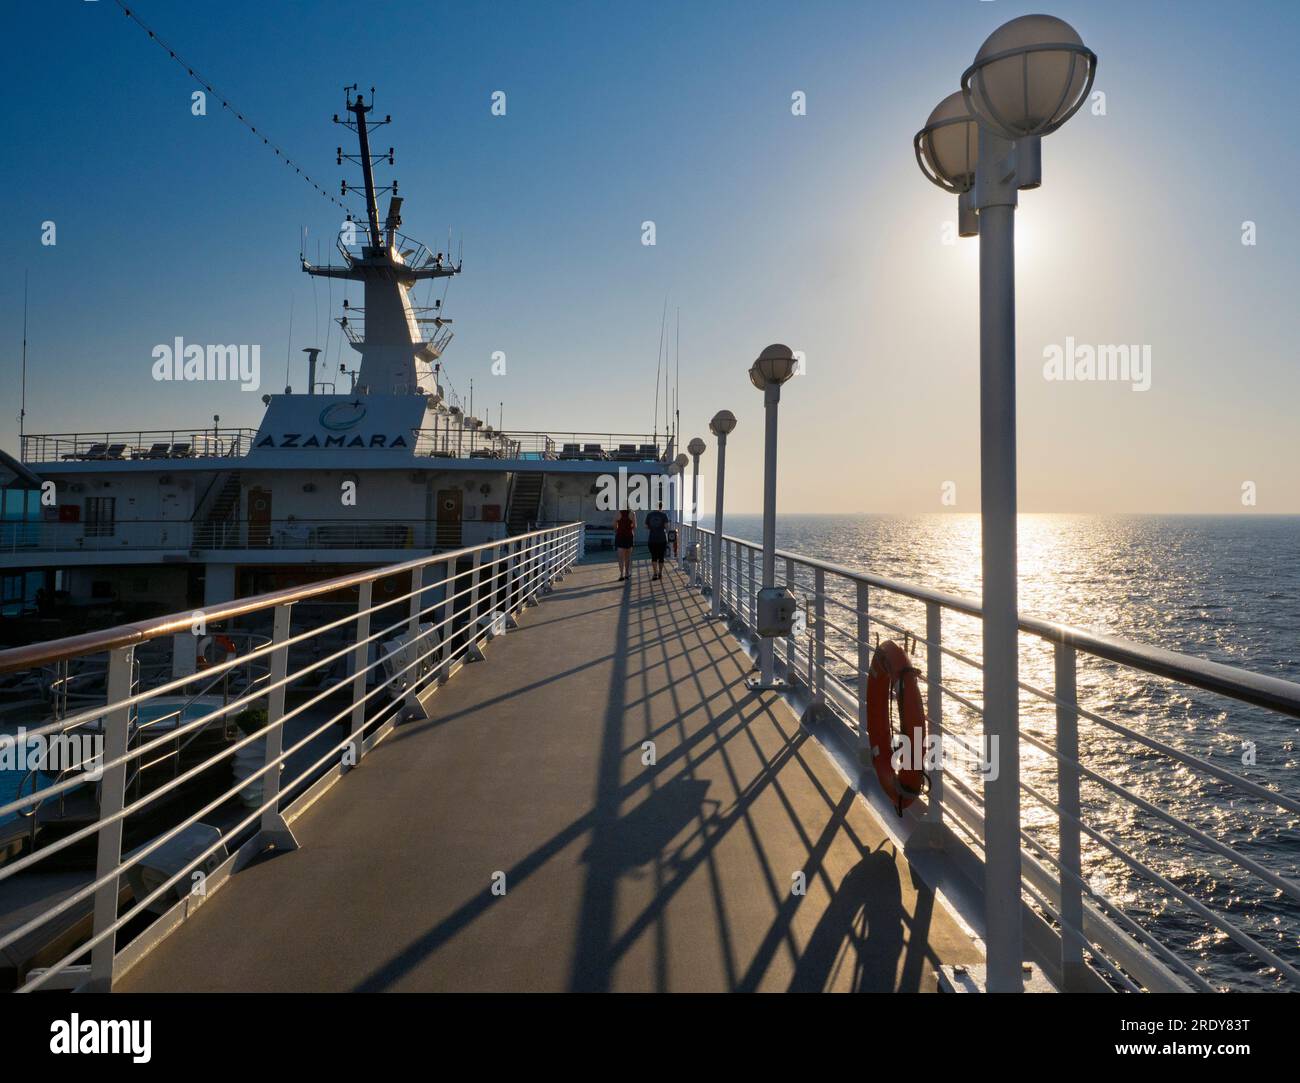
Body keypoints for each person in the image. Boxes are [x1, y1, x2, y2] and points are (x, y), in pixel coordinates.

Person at [644, 502, 670, 581]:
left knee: (654, 557)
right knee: (661, 557)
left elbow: (645, 526)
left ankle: (655, 573)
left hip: (652, 539)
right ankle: (660, 573)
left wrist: (652, 528)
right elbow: (666, 527)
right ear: (661, 507)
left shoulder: (649, 515)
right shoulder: (664, 515)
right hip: (662, 539)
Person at [614, 509, 635, 581]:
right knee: (627, 557)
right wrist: (630, 527)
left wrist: (618, 530)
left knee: (620, 558)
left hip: (620, 536)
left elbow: (614, 525)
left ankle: (621, 574)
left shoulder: (617, 513)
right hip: (629, 536)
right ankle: (626, 573)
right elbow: (635, 526)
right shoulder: (632, 513)